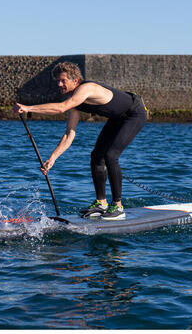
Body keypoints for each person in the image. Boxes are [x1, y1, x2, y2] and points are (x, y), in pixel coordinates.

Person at [13, 61, 147, 220]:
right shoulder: (74, 102)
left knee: (111, 156)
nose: (60, 84)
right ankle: (101, 203)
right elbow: (70, 133)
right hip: (117, 118)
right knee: (97, 155)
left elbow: (61, 107)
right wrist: (53, 158)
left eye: (63, 80)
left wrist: (29, 108)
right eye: (58, 81)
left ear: (75, 80)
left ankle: (117, 206)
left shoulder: (87, 88)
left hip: (134, 113)